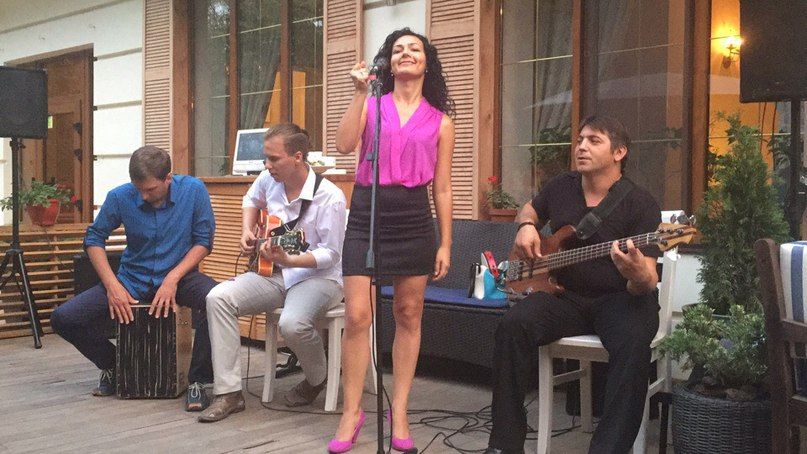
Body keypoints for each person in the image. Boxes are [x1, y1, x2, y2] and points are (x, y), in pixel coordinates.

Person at [484, 116, 662, 454]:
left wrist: (636, 272)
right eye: (580, 139)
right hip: (566, 297)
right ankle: (504, 445)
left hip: (620, 299)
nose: (581, 146)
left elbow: (648, 280)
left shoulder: (641, 203)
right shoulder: (561, 187)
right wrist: (526, 226)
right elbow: (529, 209)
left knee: (634, 341)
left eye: (594, 141)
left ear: (619, 152)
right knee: (513, 326)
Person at [329, 27, 455, 453]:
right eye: (398, 49)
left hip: (414, 217)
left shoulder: (441, 121)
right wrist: (358, 93)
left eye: (414, 48)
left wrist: (445, 243)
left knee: (408, 313)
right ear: (389, 61)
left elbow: (443, 188)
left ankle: (398, 410)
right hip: (367, 212)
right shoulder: (372, 104)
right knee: (357, 316)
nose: (406, 53)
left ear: (426, 62)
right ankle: (351, 412)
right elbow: (343, 145)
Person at [198, 123, 347, 422]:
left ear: (297, 157)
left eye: (274, 158)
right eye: (266, 158)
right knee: (218, 298)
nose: (267, 165)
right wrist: (246, 230)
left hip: (319, 278)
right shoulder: (268, 179)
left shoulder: (331, 197)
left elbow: (331, 254)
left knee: (292, 324)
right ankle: (229, 393)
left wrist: (291, 260)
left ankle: (317, 378)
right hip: (274, 272)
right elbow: (250, 200)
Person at [50, 146, 218, 411]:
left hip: (181, 277)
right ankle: (116, 365)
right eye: (138, 189)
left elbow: (203, 241)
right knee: (63, 318)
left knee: (218, 301)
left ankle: (198, 381)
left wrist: (172, 278)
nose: (143, 195)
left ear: (168, 178)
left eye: (150, 189)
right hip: (131, 279)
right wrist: (112, 285)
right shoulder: (119, 196)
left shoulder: (194, 190)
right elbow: (94, 239)